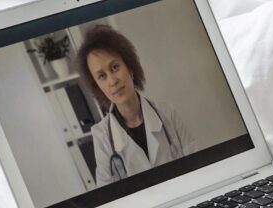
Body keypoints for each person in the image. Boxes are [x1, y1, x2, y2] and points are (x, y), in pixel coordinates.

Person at [78, 23, 193, 185]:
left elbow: (199, 166)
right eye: (102, 76)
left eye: (115, 67)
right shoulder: (102, 136)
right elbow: (110, 200)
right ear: (98, 86)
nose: (112, 81)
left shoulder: (168, 113)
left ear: (130, 68)